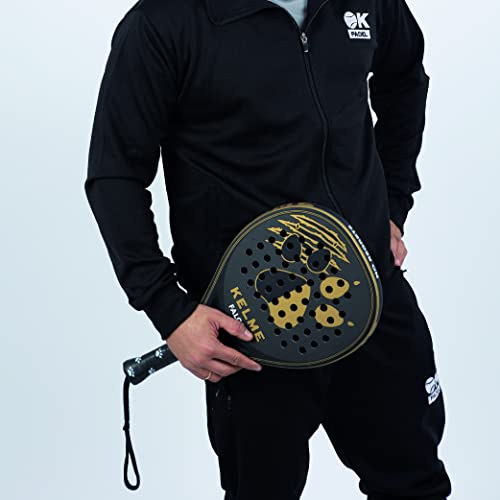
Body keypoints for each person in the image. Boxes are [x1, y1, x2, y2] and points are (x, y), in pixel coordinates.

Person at [84, 0, 452, 498]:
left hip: (371, 295)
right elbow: (114, 176)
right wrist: (169, 311)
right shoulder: (163, 23)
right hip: (253, 324)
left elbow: (405, 77)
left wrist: (393, 203)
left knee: (416, 485)